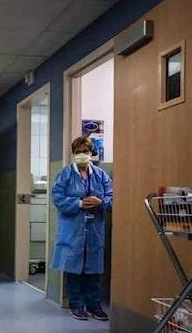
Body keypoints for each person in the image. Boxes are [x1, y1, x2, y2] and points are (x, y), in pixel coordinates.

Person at [50, 136, 113, 321]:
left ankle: (94, 305)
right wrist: (78, 203)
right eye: (78, 152)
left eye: (85, 152)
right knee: (73, 267)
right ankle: (76, 305)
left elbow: (112, 197)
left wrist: (101, 202)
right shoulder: (65, 175)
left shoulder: (101, 176)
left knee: (92, 269)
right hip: (72, 229)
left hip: (94, 229)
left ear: (91, 153)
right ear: (73, 154)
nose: (82, 155)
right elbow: (57, 198)